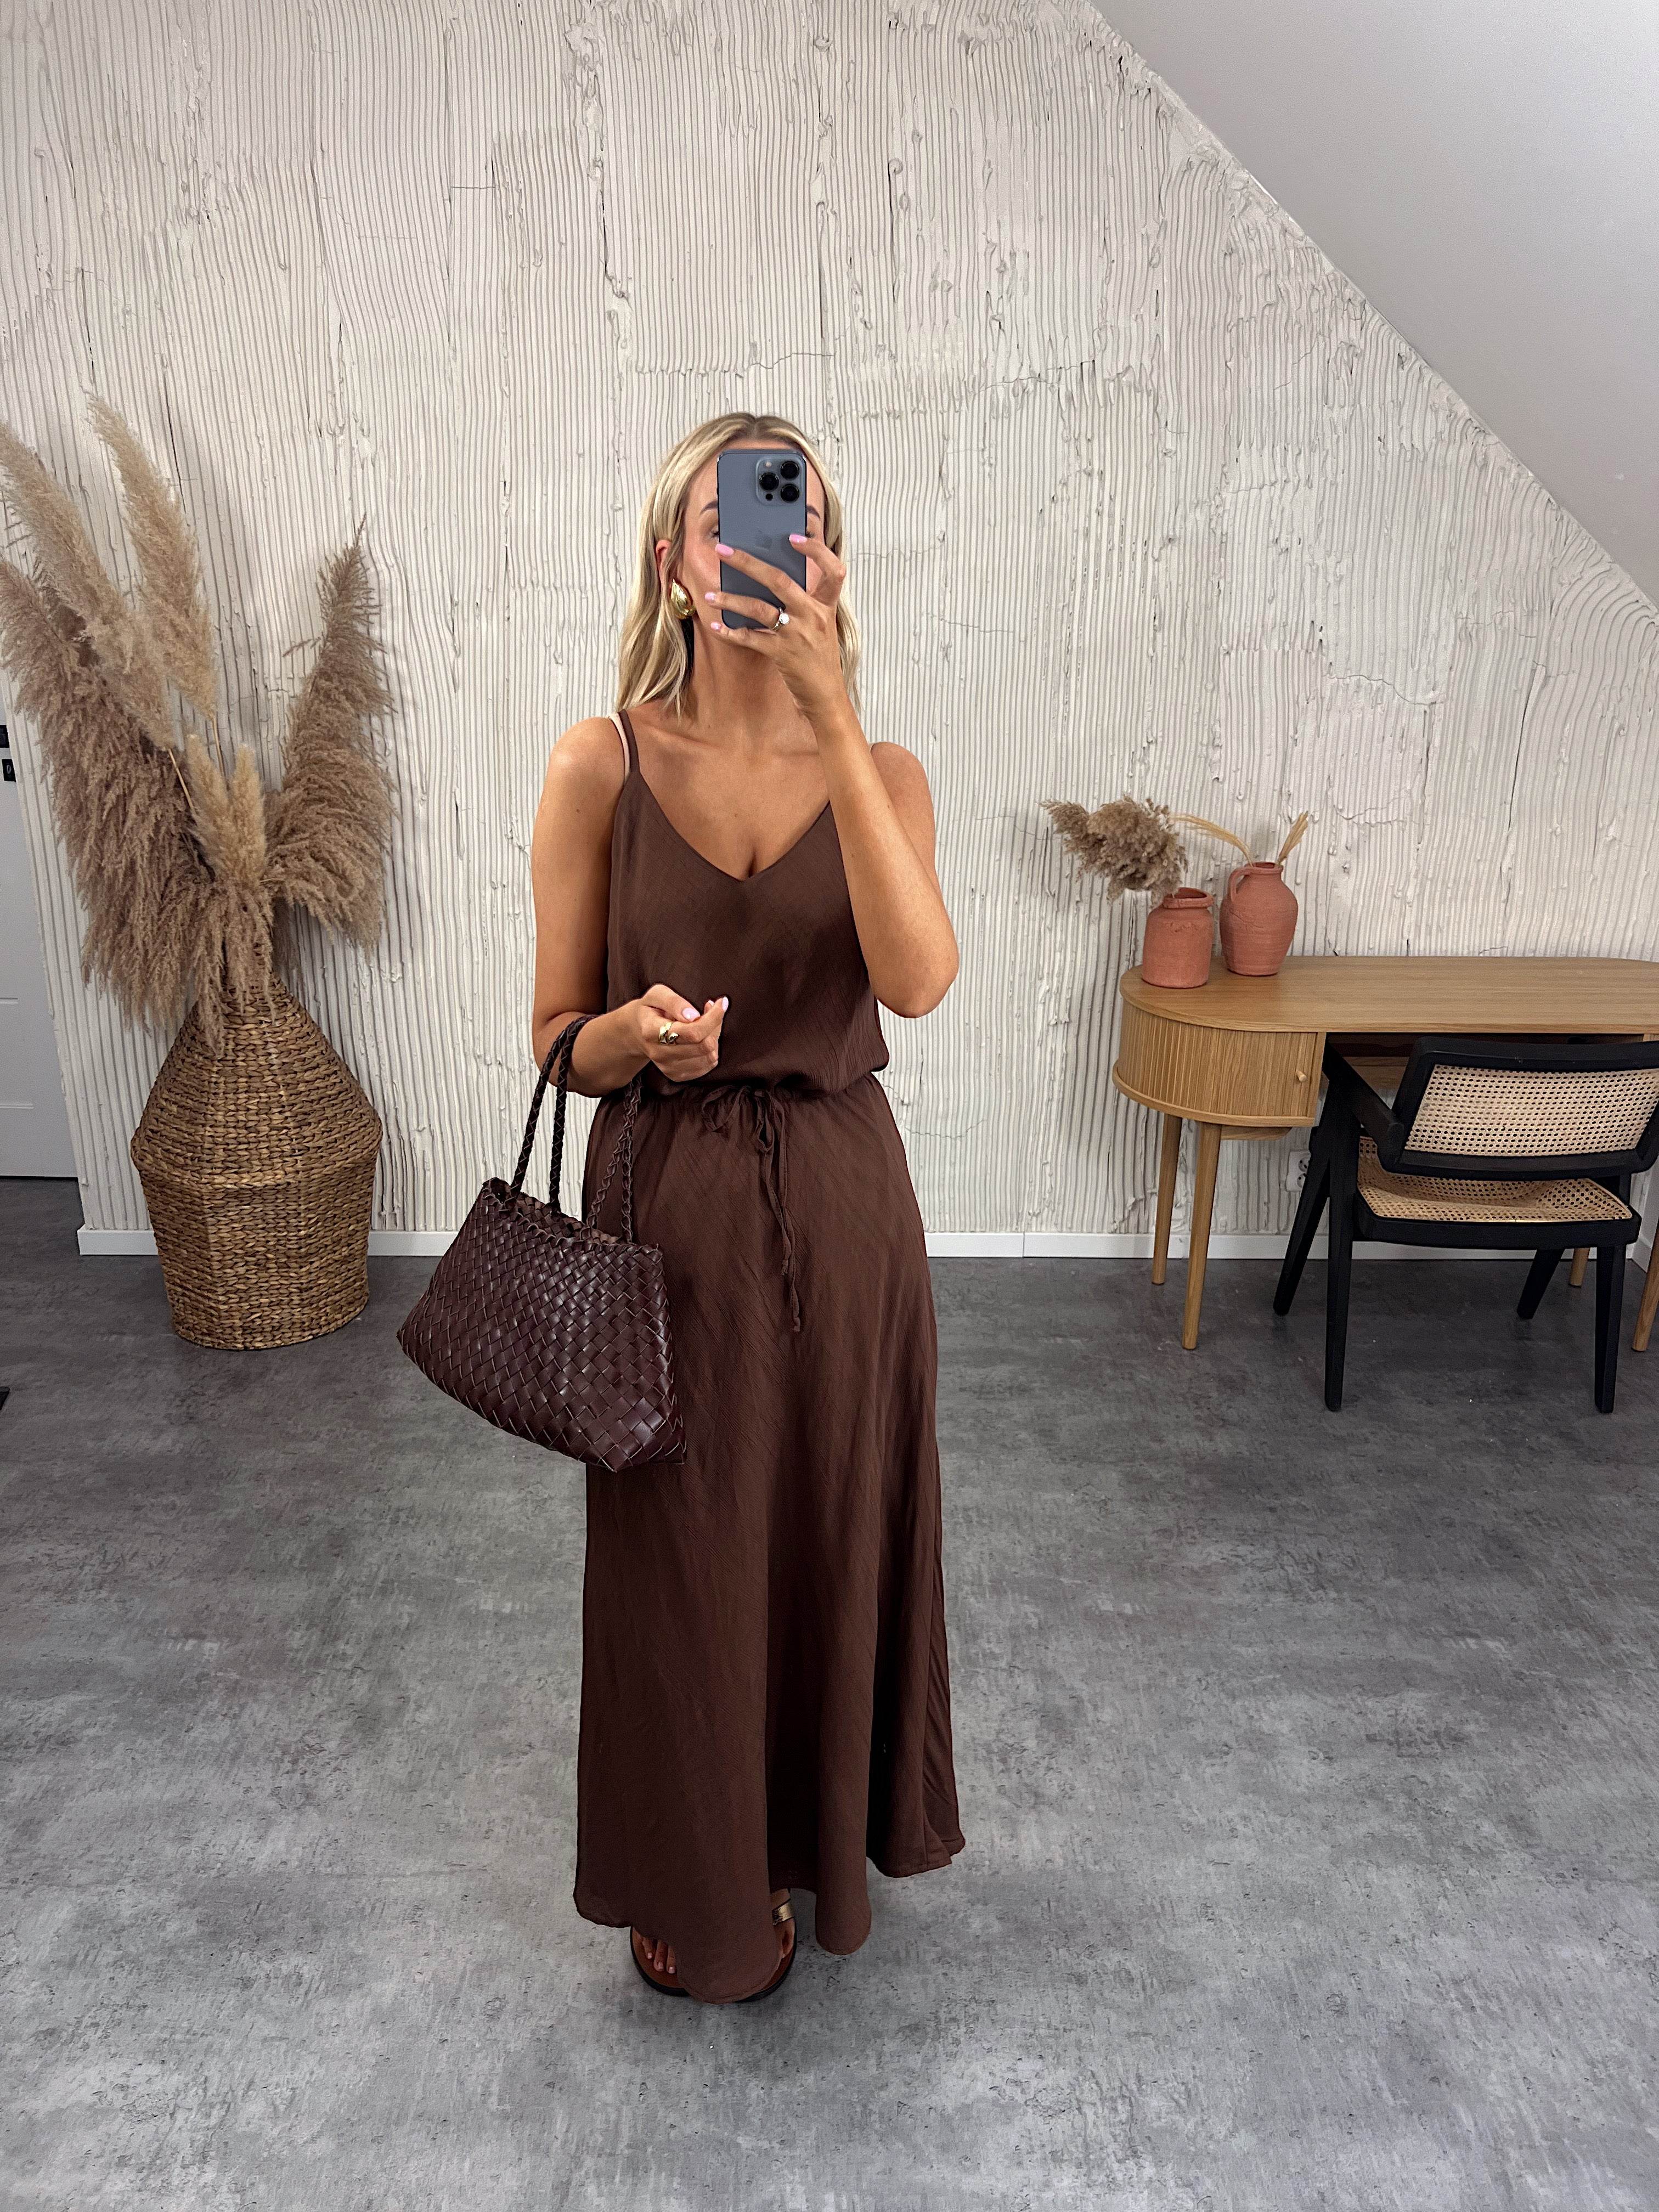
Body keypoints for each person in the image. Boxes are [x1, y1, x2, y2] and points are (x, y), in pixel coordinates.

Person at [529, 411, 964, 2005]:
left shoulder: (886, 772)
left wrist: (833, 715)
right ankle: (698, 1876)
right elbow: (553, 1040)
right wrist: (630, 1039)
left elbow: (915, 981)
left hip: (846, 1212)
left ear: (828, 557)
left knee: (834, 1523)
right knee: (683, 1554)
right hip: (670, 1208)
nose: (769, 545)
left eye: (797, 518)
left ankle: (806, 1846)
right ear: (673, 559)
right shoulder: (601, 761)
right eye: (733, 519)